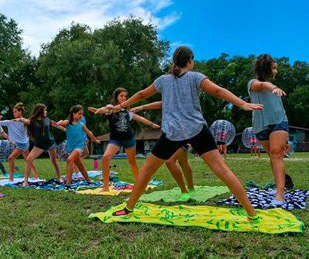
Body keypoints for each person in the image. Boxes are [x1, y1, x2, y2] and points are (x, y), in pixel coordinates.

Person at [106, 46, 262, 222]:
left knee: (146, 171)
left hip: (173, 132)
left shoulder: (163, 80)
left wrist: (120, 106)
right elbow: (218, 91)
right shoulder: (195, 77)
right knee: (223, 171)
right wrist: (242, 103)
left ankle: (128, 209)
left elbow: (142, 94)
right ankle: (252, 214)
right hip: (197, 129)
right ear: (190, 61)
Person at [89, 88, 160, 192]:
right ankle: (105, 186)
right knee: (105, 158)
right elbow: (106, 108)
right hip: (115, 140)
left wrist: (152, 124)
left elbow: (140, 119)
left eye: (125, 96)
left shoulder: (128, 112)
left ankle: (140, 183)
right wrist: (98, 110)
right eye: (121, 96)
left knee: (132, 162)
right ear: (116, 97)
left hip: (129, 139)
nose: (124, 98)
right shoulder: (111, 109)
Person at [132, 101, 195, 201]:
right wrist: (142, 107)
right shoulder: (172, 95)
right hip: (172, 133)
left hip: (184, 133)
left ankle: (185, 191)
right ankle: (190, 188)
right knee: (183, 161)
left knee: (170, 161)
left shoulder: (185, 98)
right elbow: (163, 103)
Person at [248, 54, 288, 206]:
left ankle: (280, 194)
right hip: (260, 127)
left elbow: (279, 109)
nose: (276, 71)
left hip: (279, 123)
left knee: (277, 155)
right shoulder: (253, 83)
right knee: (273, 156)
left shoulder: (275, 89)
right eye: (274, 68)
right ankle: (280, 185)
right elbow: (263, 86)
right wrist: (274, 88)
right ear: (266, 69)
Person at [15, 104, 61, 186]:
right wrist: (18, 119)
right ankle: (25, 181)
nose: (46, 112)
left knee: (54, 161)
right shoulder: (32, 121)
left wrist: (66, 130)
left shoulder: (48, 120)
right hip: (39, 144)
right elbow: (25, 120)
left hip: (50, 142)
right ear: (40, 111)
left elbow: (57, 125)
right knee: (29, 159)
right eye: (45, 110)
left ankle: (59, 177)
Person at [56, 105, 101, 188]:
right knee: (79, 164)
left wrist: (95, 140)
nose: (81, 116)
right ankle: (88, 180)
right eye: (79, 114)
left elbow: (89, 133)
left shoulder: (81, 124)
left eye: (82, 114)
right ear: (73, 113)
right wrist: (58, 123)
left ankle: (68, 183)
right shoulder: (68, 123)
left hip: (80, 146)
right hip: (71, 147)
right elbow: (61, 122)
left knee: (70, 159)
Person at [0, 103, 39, 181]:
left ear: (20, 112)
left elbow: (29, 122)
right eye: (13, 112)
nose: (14, 113)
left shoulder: (24, 121)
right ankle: (36, 176)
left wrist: (20, 120)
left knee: (10, 158)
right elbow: (1, 122)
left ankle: (11, 178)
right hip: (22, 143)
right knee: (28, 159)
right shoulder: (12, 122)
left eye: (16, 111)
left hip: (23, 144)